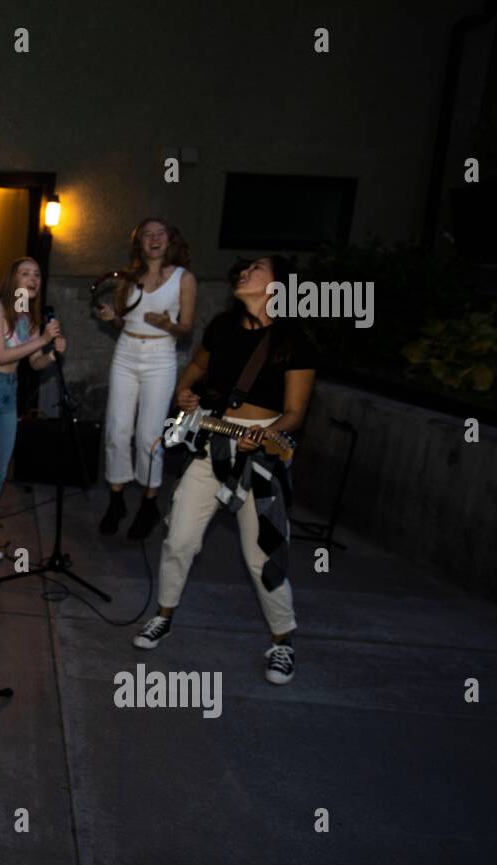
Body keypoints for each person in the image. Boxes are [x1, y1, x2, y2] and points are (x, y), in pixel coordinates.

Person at [134, 255, 317, 685]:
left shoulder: (296, 341)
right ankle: (163, 615)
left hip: (264, 451)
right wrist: (184, 393)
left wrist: (267, 433)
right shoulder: (221, 327)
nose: (244, 273)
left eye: (257, 269)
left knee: (262, 556)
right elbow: (194, 372)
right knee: (179, 538)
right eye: (243, 268)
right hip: (213, 440)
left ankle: (282, 640)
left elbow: (295, 413)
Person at [96, 217, 196, 539]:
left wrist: (168, 325)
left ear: (170, 240)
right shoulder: (130, 277)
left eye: (160, 234)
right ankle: (116, 500)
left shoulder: (183, 278)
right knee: (117, 429)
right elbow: (124, 321)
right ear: (139, 242)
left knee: (148, 435)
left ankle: (149, 502)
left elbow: (187, 328)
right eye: (146, 235)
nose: (153, 239)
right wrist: (113, 318)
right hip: (126, 353)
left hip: (160, 356)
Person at [0, 256, 65, 514]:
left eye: (37, 274)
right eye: (26, 273)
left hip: (10, 392)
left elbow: (34, 362)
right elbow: (1, 355)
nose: (33, 279)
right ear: (13, 279)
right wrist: (44, 340)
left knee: (3, 468)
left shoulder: (29, 316)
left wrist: (51, 354)